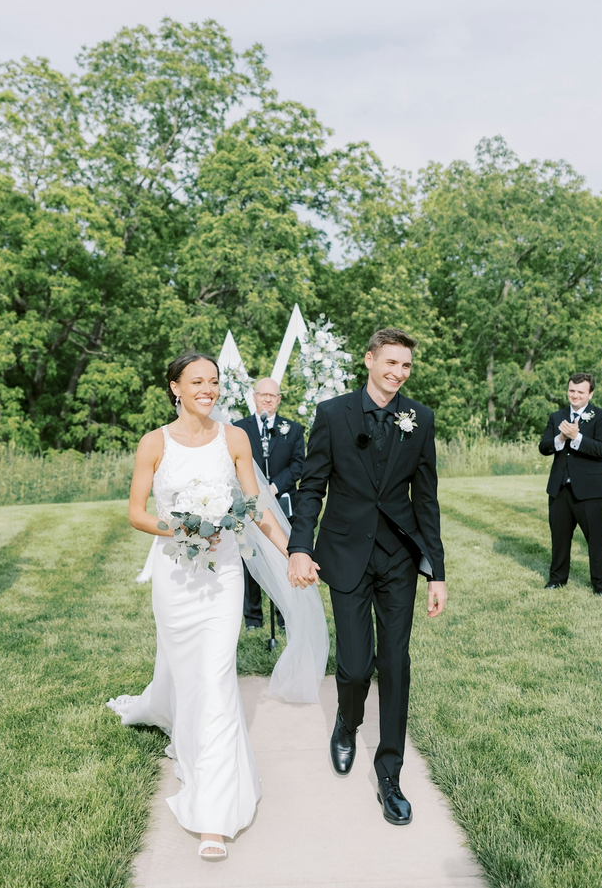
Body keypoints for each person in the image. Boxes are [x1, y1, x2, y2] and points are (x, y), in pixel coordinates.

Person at [107, 354, 327, 861]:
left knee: (216, 675)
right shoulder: (154, 443)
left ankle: (214, 812)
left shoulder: (234, 439)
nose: (208, 389)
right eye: (196, 382)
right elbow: (137, 513)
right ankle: (169, 716)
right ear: (175, 388)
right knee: (187, 676)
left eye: (214, 382)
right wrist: (181, 528)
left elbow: (255, 508)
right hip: (176, 576)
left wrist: (294, 550)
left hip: (224, 572)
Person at [287, 327, 447, 826]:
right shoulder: (333, 414)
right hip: (346, 554)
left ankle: (390, 774)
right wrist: (299, 546)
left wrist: (436, 571)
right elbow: (311, 487)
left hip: (399, 558)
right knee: (355, 667)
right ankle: (347, 720)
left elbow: (426, 499)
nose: (398, 373)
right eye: (391, 362)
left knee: (395, 663)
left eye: (406, 366)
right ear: (369, 360)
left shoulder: (419, 419)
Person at [235, 378, 305, 630]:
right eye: (262, 394)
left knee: (284, 558)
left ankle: (285, 617)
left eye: (272, 395)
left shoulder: (293, 429)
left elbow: (298, 465)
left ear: (279, 399)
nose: (267, 399)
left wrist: (272, 488)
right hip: (250, 506)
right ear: (253, 397)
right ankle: (253, 619)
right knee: (251, 559)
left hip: (284, 504)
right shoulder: (238, 429)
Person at [538, 373, 602, 595]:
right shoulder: (556, 416)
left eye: (580, 392)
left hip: (592, 491)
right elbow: (544, 447)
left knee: (597, 541)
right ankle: (557, 579)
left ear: (590, 393)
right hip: (560, 489)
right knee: (559, 538)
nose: (575, 395)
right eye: (572, 390)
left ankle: (601, 586)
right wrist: (560, 439)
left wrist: (577, 437)